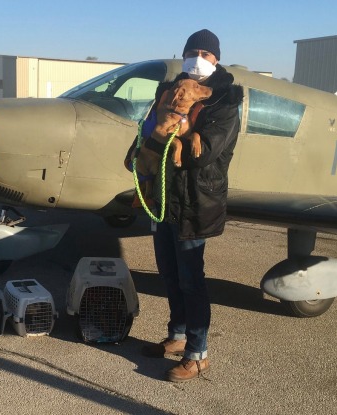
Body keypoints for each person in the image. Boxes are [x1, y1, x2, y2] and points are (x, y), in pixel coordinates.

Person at [139, 29, 243, 382]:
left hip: (195, 203)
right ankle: (178, 335)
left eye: (206, 53)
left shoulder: (226, 103)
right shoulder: (168, 93)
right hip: (165, 199)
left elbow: (207, 153)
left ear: (216, 59)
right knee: (168, 274)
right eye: (192, 51)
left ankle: (198, 354)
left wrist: (180, 126)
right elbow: (149, 137)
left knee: (191, 280)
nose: (198, 57)